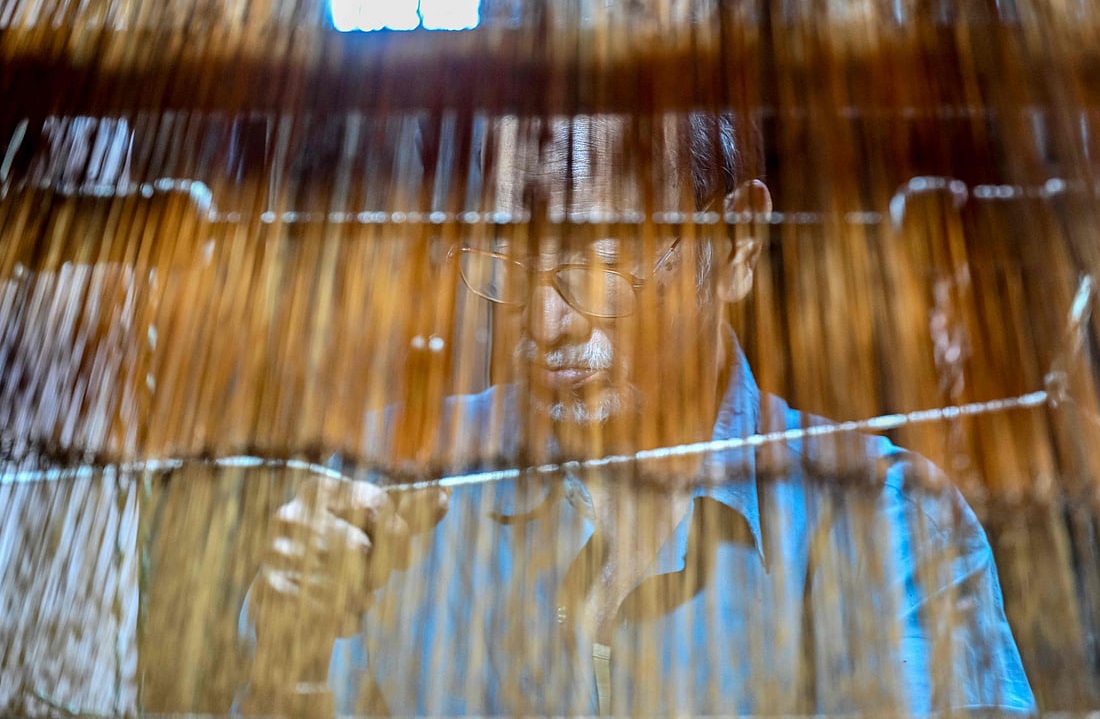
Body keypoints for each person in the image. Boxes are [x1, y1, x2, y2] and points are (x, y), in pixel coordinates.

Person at [237, 113, 1036, 716]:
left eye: (600, 260)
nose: (543, 325)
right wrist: (289, 643)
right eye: (512, 263)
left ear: (738, 245)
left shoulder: (882, 524)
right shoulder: (402, 480)